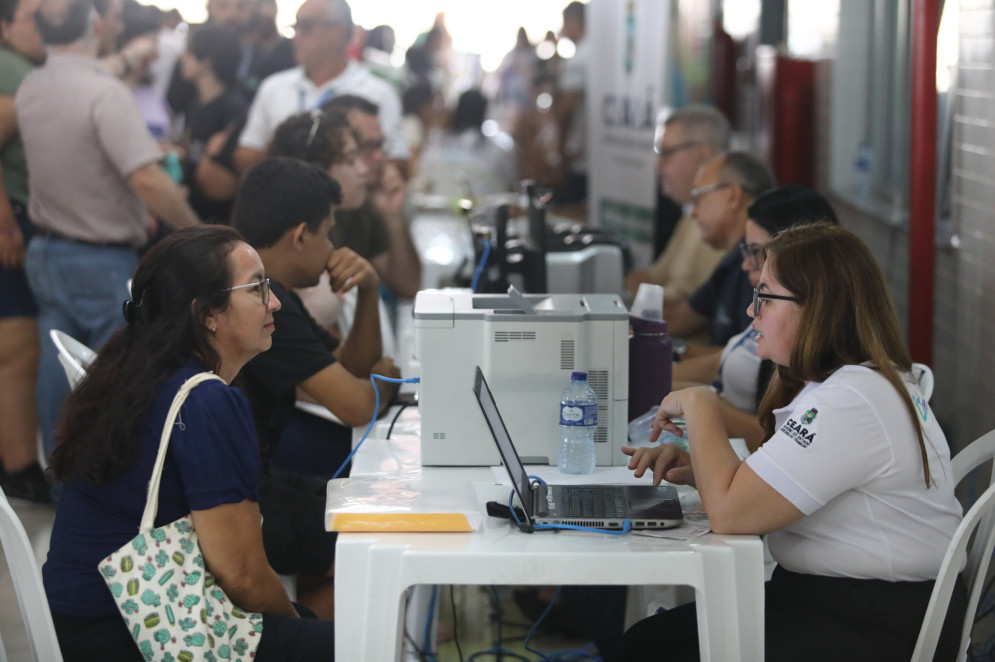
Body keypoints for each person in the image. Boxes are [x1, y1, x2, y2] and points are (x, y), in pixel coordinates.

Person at [622, 222, 967, 662]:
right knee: (650, 642)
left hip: (881, 622)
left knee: (655, 650)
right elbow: (761, 489)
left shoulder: (852, 399)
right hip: (841, 598)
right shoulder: (848, 384)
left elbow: (731, 515)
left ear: (816, 309)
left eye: (765, 297)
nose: (752, 311)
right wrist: (700, 469)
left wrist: (701, 403)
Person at [43, 225, 337, 661]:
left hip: (86, 620)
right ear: (207, 315)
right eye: (257, 287)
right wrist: (299, 628)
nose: (274, 301)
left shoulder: (134, 370)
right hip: (134, 631)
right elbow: (241, 576)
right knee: (352, 646)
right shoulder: (205, 401)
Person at [17, 0, 201, 463]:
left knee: (59, 368)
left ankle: (63, 481)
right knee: (111, 383)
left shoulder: (33, 84)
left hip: (47, 249)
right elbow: (147, 180)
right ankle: (103, 486)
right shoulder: (105, 91)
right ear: (97, 24)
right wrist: (204, 233)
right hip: (98, 259)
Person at [233, 157, 400, 618]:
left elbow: (347, 366)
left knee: (344, 503)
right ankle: (304, 638)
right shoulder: (262, 301)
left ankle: (311, 624)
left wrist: (368, 289)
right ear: (300, 235)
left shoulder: (262, 287)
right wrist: (384, 384)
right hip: (236, 497)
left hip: (248, 478)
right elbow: (357, 405)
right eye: (329, 232)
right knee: (370, 544)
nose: (333, 248)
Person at [670, 185, 839, 449]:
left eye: (756, 252)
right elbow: (718, 362)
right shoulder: (781, 321)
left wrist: (702, 405)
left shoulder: (823, 367)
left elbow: (777, 442)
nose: (746, 265)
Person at [234, 0, 408, 173]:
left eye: (306, 27)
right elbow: (246, 153)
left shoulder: (378, 92)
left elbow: (397, 160)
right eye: (295, 27)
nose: (296, 36)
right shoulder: (274, 87)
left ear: (340, 32)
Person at [0, 0, 47, 501]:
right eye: (32, 17)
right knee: (17, 350)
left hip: (19, 218)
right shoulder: (9, 69)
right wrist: (4, 221)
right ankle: (18, 468)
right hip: (13, 223)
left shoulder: (25, 68)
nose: (43, 26)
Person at [662, 151, 775, 349]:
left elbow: (752, 354)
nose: (693, 212)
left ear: (733, 196)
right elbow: (678, 320)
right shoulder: (731, 261)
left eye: (699, 198)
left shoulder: (763, 264)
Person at [625, 105, 729, 310]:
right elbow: (650, 278)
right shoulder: (691, 213)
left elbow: (692, 316)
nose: (658, 165)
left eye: (667, 153)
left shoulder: (722, 222)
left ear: (702, 156)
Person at [323, 93, 421, 299]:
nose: (380, 157)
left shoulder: (365, 199)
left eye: (380, 146)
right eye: (367, 147)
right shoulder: (308, 211)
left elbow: (409, 287)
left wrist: (392, 216)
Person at [177, 23, 248, 223]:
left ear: (207, 60)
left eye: (189, 53)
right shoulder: (196, 104)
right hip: (192, 209)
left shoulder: (234, 109)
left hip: (215, 219)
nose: (182, 58)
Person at [416, 88, 517, 197]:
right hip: (482, 206)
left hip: (437, 205)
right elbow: (510, 183)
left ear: (456, 111)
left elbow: (422, 172)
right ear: (484, 112)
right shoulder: (497, 153)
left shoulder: (435, 145)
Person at [554, 1, 587, 203]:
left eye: (565, 24)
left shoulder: (580, 58)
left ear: (574, 22)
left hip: (580, 156)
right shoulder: (601, 53)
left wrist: (560, 153)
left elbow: (566, 109)